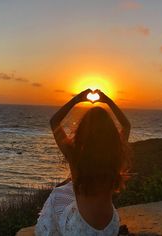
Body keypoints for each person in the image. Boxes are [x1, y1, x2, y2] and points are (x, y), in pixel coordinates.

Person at [35, 89, 131, 236]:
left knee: (56, 196)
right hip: (110, 227)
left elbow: (54, 122)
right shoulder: (114, 155)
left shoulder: (76, 157)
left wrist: (76, 100)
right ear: (111, 132)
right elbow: (126, 125)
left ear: (82, 131)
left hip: (81, 230)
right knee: (63, 190)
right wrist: (107, 101)